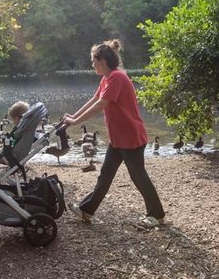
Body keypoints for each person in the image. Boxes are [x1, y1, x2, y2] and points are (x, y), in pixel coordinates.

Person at [64, 39, 165, 228]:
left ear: (102, 61)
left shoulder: (117, 78)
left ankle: (157, 215)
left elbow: (102, 104)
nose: (92, 65)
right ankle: (87, 210)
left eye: (94, 61)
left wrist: (76, 122)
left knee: (138, 176)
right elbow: (95, 99)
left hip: (130, 137)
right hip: (118, 138)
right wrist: (73, 116)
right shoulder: (107, 78)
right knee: (105, 175)